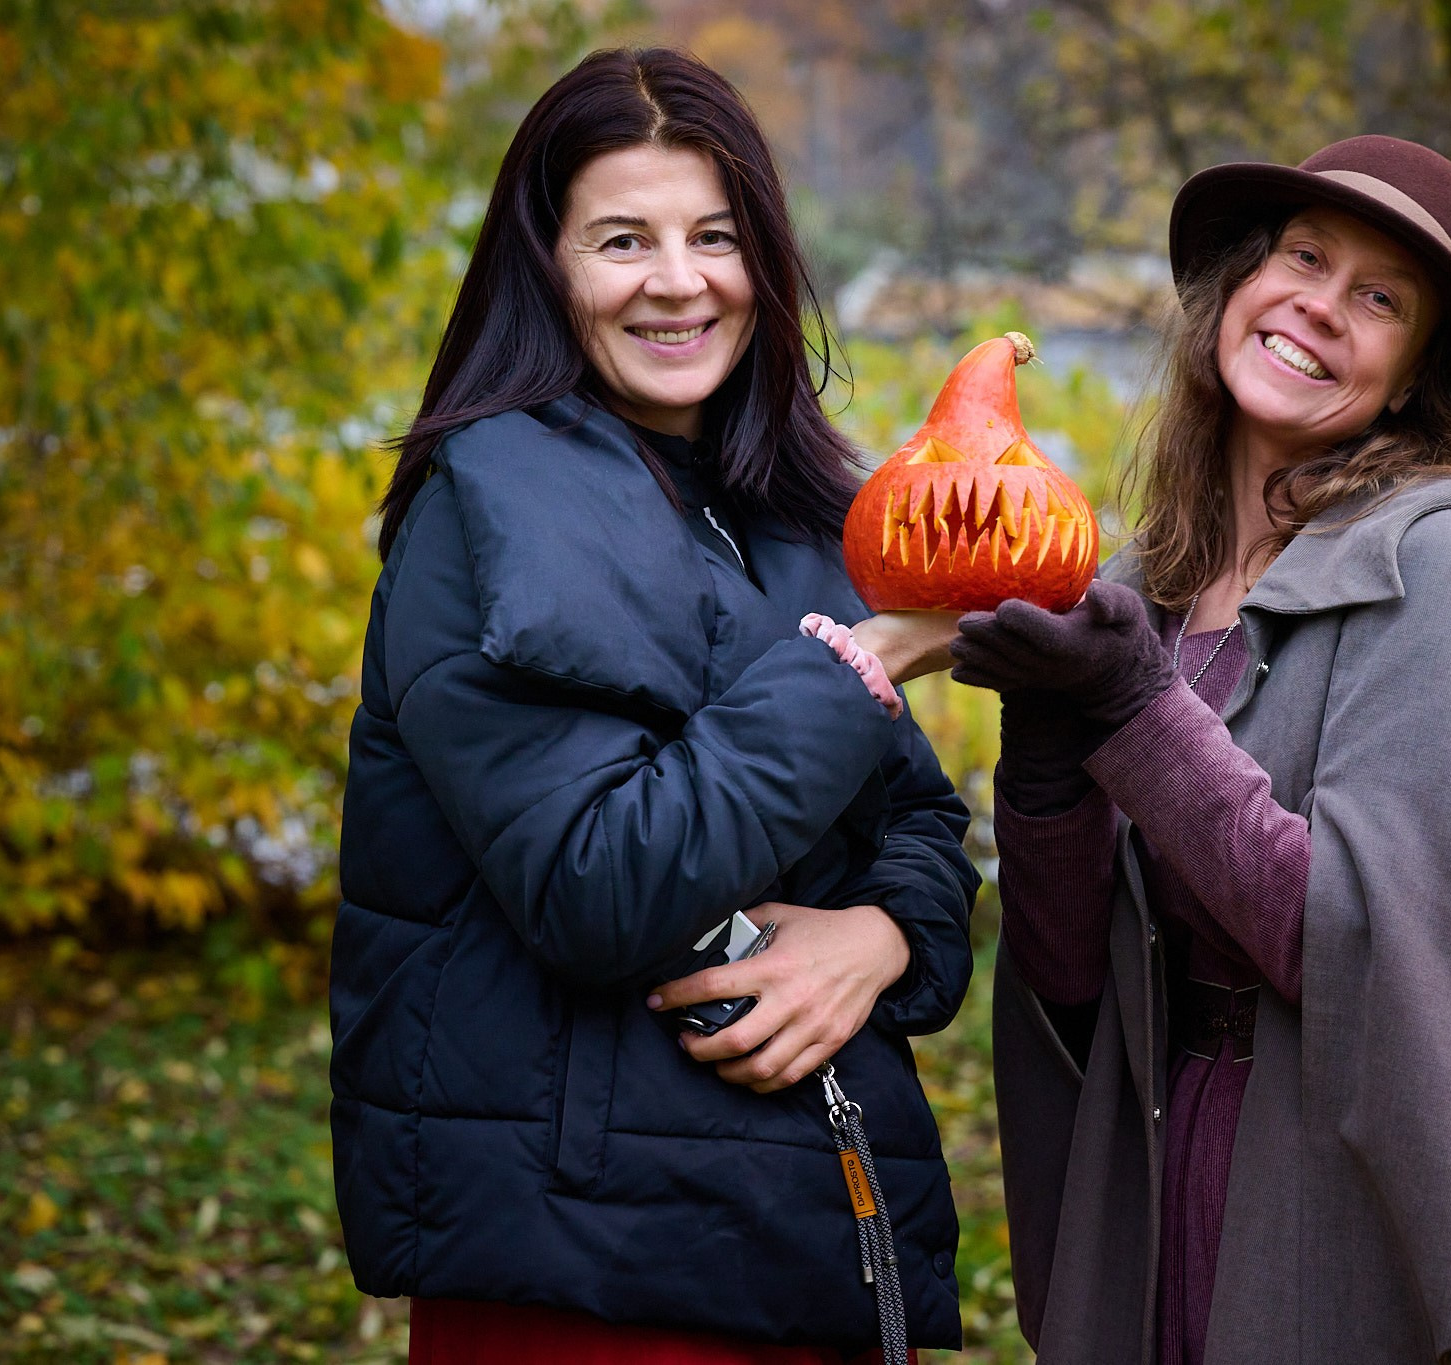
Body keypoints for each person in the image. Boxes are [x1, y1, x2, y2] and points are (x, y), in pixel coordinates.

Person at [953, 137, 1451, 1364]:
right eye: (1302, 257)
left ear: (1406, 381)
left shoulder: (1449, 569)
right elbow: (1073, 979)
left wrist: (1130, 714)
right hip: (1164, 1177)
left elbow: (1373, 948)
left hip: (1340, 1195)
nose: (1319, 308)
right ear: (1236, 286)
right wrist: (1051, 762)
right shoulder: (1143, 594)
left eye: (1377, 297)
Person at [329, 48, 977, 1364]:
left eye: (715, 237)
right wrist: (869, 658)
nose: (679, 281)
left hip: (797, 1239)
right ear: (549, 265)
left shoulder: (792, 517)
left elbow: (921, 825)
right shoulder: (493, 508)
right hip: (593, 1268)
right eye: (623, 238)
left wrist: (879, 943)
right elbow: (599, 884)